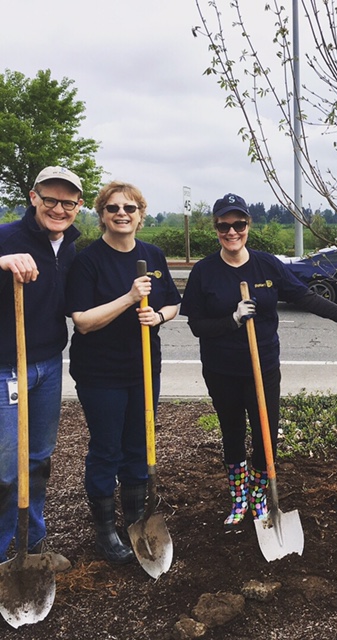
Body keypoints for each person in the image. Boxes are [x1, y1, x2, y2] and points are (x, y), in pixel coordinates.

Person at [180, 193, 337, 531]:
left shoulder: (266, 265)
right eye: (224, 226)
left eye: (239, 224)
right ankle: (238, 498)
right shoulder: (204, 272)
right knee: (232, 433)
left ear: (248, 225)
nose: (232, 232)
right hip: (221, 370)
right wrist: (232, 319)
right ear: (216, 228)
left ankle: (260, 497)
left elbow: (306, 297)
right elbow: (197, 325)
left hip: (263, 368)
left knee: (265, 434)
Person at [65, 181, 181, 564]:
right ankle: (104, 531)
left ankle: (135, 521)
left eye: (130, 208)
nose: (122, 214)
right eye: (113, 208)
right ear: (101, 215)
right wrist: (130, 299)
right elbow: (83, 321)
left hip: (145, 368)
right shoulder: (88, 261)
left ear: (140, 216)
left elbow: (174, 305)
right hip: (101, 373)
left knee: (138, 445)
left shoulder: (154, 255)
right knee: (106, 450)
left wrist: (157, 314)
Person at [0, 166, 83, 568]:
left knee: (38, 458)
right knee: (5, 465)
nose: (58, 208)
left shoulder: (70, 246)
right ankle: (3, 555)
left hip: (49, 364)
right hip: (5, 368)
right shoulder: (7, 236)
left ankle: (31, 544)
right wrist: (2, 260)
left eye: (67, 202)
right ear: (33, 197)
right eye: (50, 199)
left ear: (78, 207)